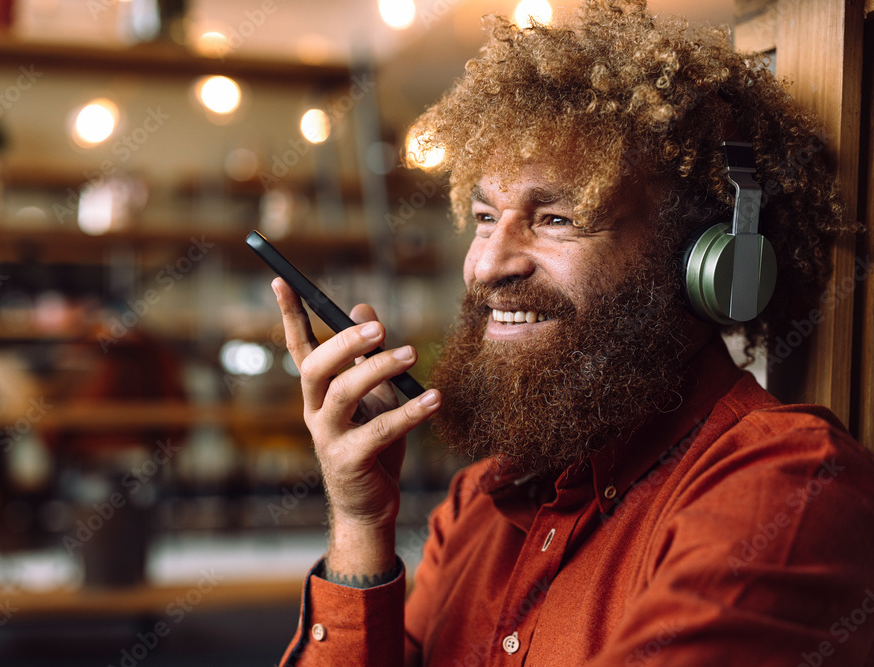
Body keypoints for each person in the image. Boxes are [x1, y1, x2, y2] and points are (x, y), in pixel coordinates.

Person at [272, 1, 874, 664]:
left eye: (555, 217)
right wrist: (361, 527)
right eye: (483, 215)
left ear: (707, 259)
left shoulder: (784, 488)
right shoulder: (476, 505)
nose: (488, 266)